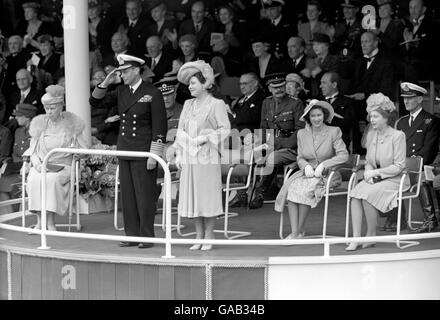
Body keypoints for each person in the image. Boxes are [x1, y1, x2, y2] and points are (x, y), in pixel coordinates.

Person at [90, 54, 167, 249]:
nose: (121, 75)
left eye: (124, 71)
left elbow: (159, 127)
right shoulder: (121, 91)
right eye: (120, 72)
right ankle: (132, 234)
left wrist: (154, 154)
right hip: (125, 148)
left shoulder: (152, 92)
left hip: (143, 151)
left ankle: (147, 236)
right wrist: (106, 82)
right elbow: (95, 102)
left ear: (135, 70)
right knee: (128, 196)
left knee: (145, 195)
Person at [168, 60, 231, 251]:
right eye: (189, 84)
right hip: (189, 157)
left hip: (207, 156)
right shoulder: (187, 104)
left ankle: (210, 234)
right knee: (192, 196)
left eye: (193, 83)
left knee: (207, 195)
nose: (190, 87)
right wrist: (178, 153)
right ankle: (198, 234)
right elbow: (180, 130)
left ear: (204, 83)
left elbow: (225, 129)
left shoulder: (216, 104)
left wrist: (205, 138)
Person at [274, 100, 348, 239]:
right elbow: (300, 157)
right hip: (307, 173)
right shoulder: (302, 134)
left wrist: (325, 165)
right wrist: (305, 166)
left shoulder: (334, 131)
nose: (316, 118)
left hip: (328, 174)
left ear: (324, 116)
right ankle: (296, 231)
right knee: (292, 189)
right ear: (308, 118)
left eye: (319, 115)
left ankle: (298, 231)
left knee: (304, 191)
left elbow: (344, 155)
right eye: (313, 116)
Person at [346, 93, 408, 251]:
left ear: (386, 118)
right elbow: (369, 162)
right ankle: (356, 237)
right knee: (355, 194)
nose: (371, 120)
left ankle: (371, 234)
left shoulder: (398, 136)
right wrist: (369, 172)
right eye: (370, 116)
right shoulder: (372, 135)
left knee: (368, 195)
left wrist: (376, 173)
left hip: (396, 179)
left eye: (375, 116)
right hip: (377, 178)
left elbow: (399, 166)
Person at [26, 85, 88, 231]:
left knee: (51, 180)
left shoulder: (72, 124)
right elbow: (32, 151)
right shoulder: (39, 124)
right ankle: (40, 222)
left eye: (52, 108)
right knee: (34, 179)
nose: (49, 112)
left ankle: (50, 223)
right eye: (46, 108)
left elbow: (85, 150)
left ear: (61, 106)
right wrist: (37, 165)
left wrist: (76, 151)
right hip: (42, 165)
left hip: (64, 166)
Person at [249, 73, 305, 209]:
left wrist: (279, 144)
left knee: (273, 157)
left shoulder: (296, 103)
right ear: (269, 89)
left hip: (290, 147)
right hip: (271, 144)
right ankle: (248, 192)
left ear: (285, 86)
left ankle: (260, 192)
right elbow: (263, 127)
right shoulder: (266, 102)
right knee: (252, 155)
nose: (279, 90)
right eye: (275, 88)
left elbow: (300, 130)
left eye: (281, 86)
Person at [390, 82, 440, 233]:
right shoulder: (401, 122)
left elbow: (429, 149)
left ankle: (430, 220)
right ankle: (396, 219)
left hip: (425, 165)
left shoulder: (431, 120)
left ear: (419, 100)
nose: (406, 101)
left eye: (410, 98)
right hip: (403, 165)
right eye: (404, 98)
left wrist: (412, 164)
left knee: (421, 177)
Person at [0, 104, 36, 207]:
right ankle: (10, 214)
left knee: (15, 186)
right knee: (2, 183)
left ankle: (18, 215)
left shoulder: (36, 132)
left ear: (27, 117)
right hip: (17, 168)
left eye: (19, 115)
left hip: (29, 169)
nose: (16, 118)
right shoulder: (18, 131)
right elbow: (14, 153)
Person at [320, 71, 356, 150]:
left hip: (338, 142)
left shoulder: (347, 101)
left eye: (324, 83)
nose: (320, 86)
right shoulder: (317, 101)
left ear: (334, 84)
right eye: (321, 83)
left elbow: (348, 123)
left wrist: (329, 116)